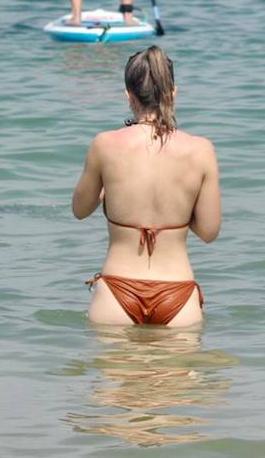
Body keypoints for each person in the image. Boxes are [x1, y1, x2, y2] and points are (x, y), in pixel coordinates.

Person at [72, 46, 221, 327]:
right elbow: (209, 232)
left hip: (117, 290)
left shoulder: (104, 144)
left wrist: (106, 192)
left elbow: (80, 210)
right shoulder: (201, 150)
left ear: (129, 96)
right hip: (176, 292)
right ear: (173, 93)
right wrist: (179, 204)